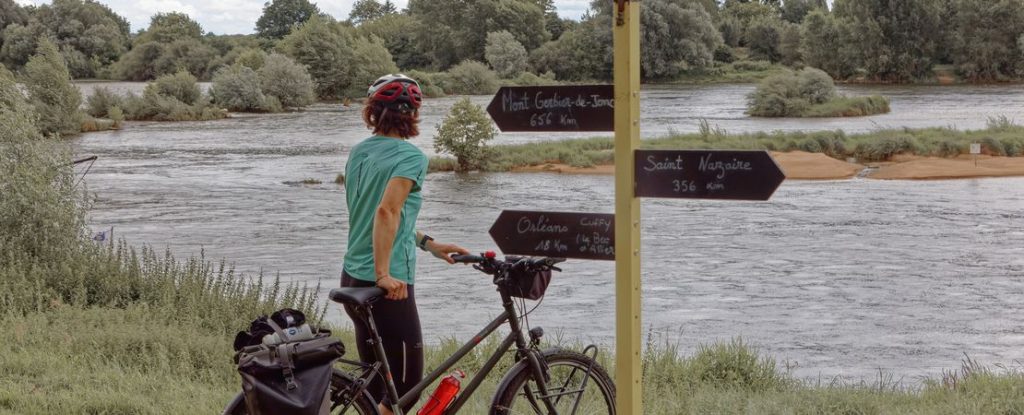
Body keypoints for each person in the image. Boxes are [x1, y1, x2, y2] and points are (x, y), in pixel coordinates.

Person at [341, 74, 469, 415]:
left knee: (375, 386)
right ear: (412, 114)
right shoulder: (410, 157)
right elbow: (386, 211)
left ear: (372, 112)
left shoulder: (359, 152)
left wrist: (428, 243)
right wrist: (383, 274)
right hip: (389, 284)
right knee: (408, 384)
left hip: (352, 277)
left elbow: (375, 215)